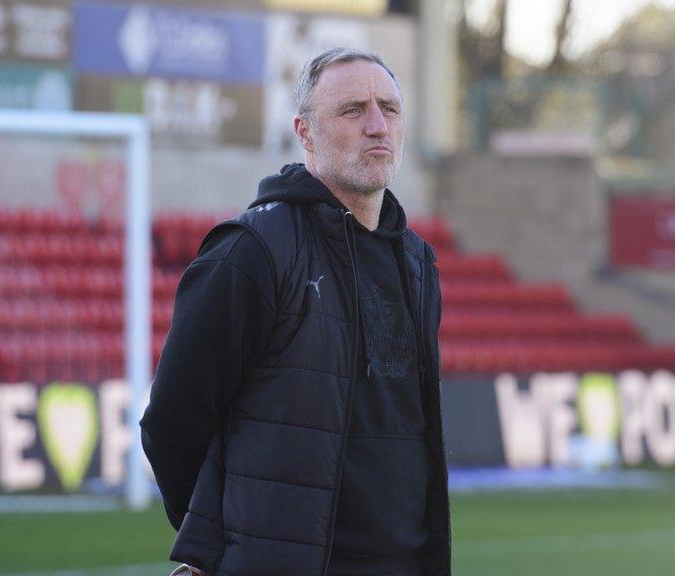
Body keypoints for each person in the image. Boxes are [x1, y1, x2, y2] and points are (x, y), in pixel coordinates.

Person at [140, 48, 450, 576]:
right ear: (304, 133)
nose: (377, 125)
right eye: (353, 110)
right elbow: (172, 420)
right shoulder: (253, 250)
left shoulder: (419, 262)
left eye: (390, 109)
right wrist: (231, 539)